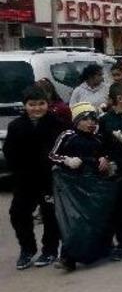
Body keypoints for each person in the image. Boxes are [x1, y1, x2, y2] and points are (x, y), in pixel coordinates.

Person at [4, 87, 66, 270]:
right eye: (32, 104)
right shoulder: (15, 126)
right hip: (25, 179)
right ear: (25, 106)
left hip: (49, 179)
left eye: (41, 104)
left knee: (50, 216)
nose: (37, 108)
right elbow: (9, 152)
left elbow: (64, 149)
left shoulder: (57, 124)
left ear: (48, 104)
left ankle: (50, 250)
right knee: (18, 213)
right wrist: (18, 171)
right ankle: (27, 249)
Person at [49, 102, 112, 271]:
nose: (91, 123)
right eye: (85, 119)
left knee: (94, 218)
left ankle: (98, 251)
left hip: (93, 183)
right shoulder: (67, 135)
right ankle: (67, 258)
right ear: (76, 120)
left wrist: (104, 159)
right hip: (71, 184)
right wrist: (67, 161)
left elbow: (106, 153)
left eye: (94, 118)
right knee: (74, 221)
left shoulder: (98, 137)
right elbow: (52, 155)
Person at [100, 82, 122, 261]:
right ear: (120, 98)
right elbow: (102, 144)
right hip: (118, 171)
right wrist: (104, 157)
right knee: (119, 209)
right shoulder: (106, 120)